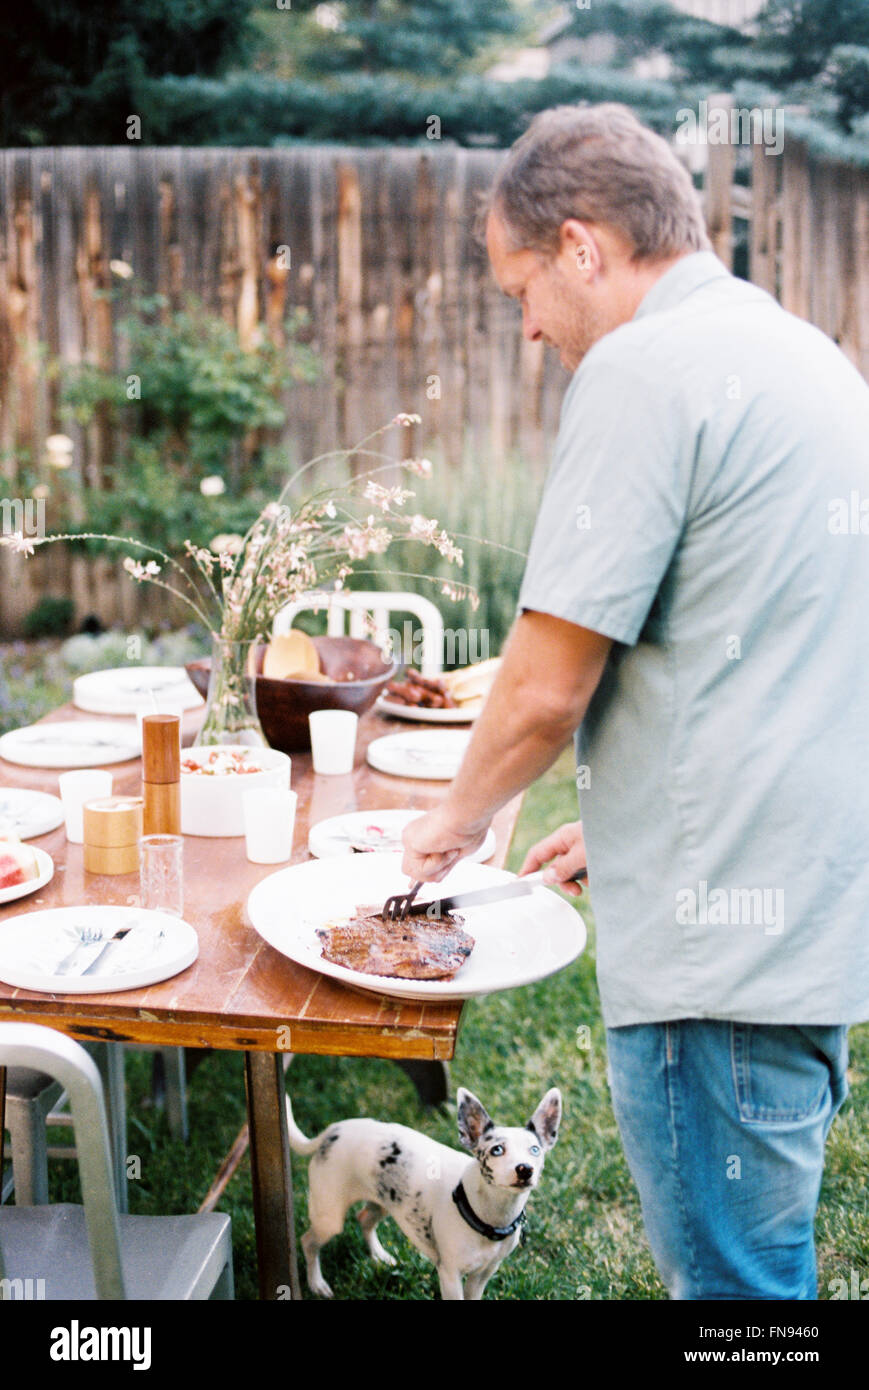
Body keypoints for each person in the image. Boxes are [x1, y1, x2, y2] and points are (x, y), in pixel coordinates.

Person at [400, 103, 869, 1300]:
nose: (525, 329)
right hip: (801, 921)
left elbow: (546, 687)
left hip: (718, 963)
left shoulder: (640, 369)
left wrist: (446, 827)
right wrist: (630, 831)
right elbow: (767, 651)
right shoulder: (798, 353)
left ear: (580, 247)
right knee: (764, 1276)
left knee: (735, 1298)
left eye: (522, 291)